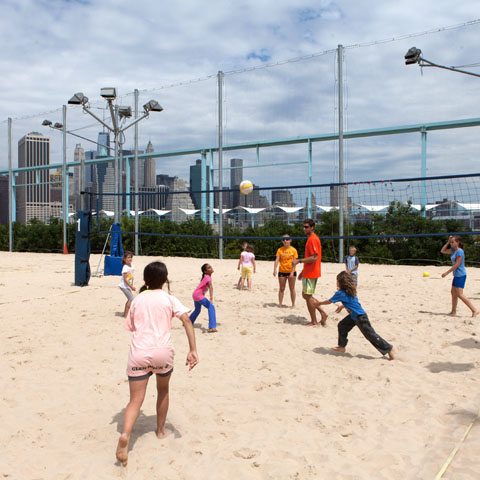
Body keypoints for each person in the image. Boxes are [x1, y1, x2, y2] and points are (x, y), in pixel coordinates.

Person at [116, 261, 199, 466]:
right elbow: (187, 320)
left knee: (135, 400)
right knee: (163, 391)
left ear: (145, 280)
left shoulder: (137, 300)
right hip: (162, 353)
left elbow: (132, 326)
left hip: (139, 353)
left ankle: (126, 434)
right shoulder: (169, 299)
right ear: (165, 279)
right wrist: (193, 349)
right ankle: (160, 431)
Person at [318, 271, 395, 360]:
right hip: (354, 316)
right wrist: (342, 307)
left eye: (337, 281)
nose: (336, 282)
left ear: (340, 282)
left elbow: (329, 301)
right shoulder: (351, 290)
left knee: (370, 335)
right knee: (342, 325)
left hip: (360, 317)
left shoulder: (341, 293)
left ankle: (389, 348)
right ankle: (341, 346)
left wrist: (319, 303)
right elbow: (351, 302)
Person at [292, 219, 328, 326]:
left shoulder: (313, 239)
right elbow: (311, 258)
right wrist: (303, 271)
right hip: (309, 271)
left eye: (306, 227)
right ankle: (322, 313)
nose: (304, 228)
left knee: (307, 296)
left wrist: (299, 261)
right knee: (306, 295)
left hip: (312, 272)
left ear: (312, 227)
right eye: (304, 227)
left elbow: (314, 258)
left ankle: (314, 321)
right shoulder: (310, 239)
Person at [440, 235, 479, 317]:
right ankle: (453, 312)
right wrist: (447, 241)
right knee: (453, 293)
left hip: (460, 275)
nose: (451, 243)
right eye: (450, 242)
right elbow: (442, 251)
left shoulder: (460, 251)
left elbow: (457, 264)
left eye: (452, 242)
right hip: (456, 275)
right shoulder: (453, 250)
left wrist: (447, 273)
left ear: (457, 242)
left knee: (460, 294)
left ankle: (474, 310)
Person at [190, 263, 218, 333]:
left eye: (210, 266)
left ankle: (189, 322)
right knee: (211, 307)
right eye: (209, 268)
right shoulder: (208, 277)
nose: (211, 268)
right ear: (205, 271)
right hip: (198, 295)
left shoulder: (206, 276)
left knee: (197, 310)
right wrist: (211, 298)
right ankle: (212, 327)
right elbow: (211, 287)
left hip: (195, 295)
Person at [273, 234, 298, 307]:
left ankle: (293, 304)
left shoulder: (293, 250)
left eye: (287, 239)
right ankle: (280, 304)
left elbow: (295, 262)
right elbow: (277, 260)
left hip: (291, 271)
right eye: (283, 239)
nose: (285, 240)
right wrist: (274, 269)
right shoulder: (280, 250)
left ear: (290, 240)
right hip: (282, 271)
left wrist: (292, 272)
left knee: (292, 288)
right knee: (281, 288)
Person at [119, 251, 136, 318]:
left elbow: (130, 276)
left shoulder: (132, 266)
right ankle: (125, 315)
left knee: (130, 299)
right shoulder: (125, 267)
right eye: (128, 257)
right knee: (131, 299)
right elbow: (125, 279)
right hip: (124, 286)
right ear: (124, 259)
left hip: (128, 286)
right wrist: (131, 287)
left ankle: (125, 313)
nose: (130, 259)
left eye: (131, 257)